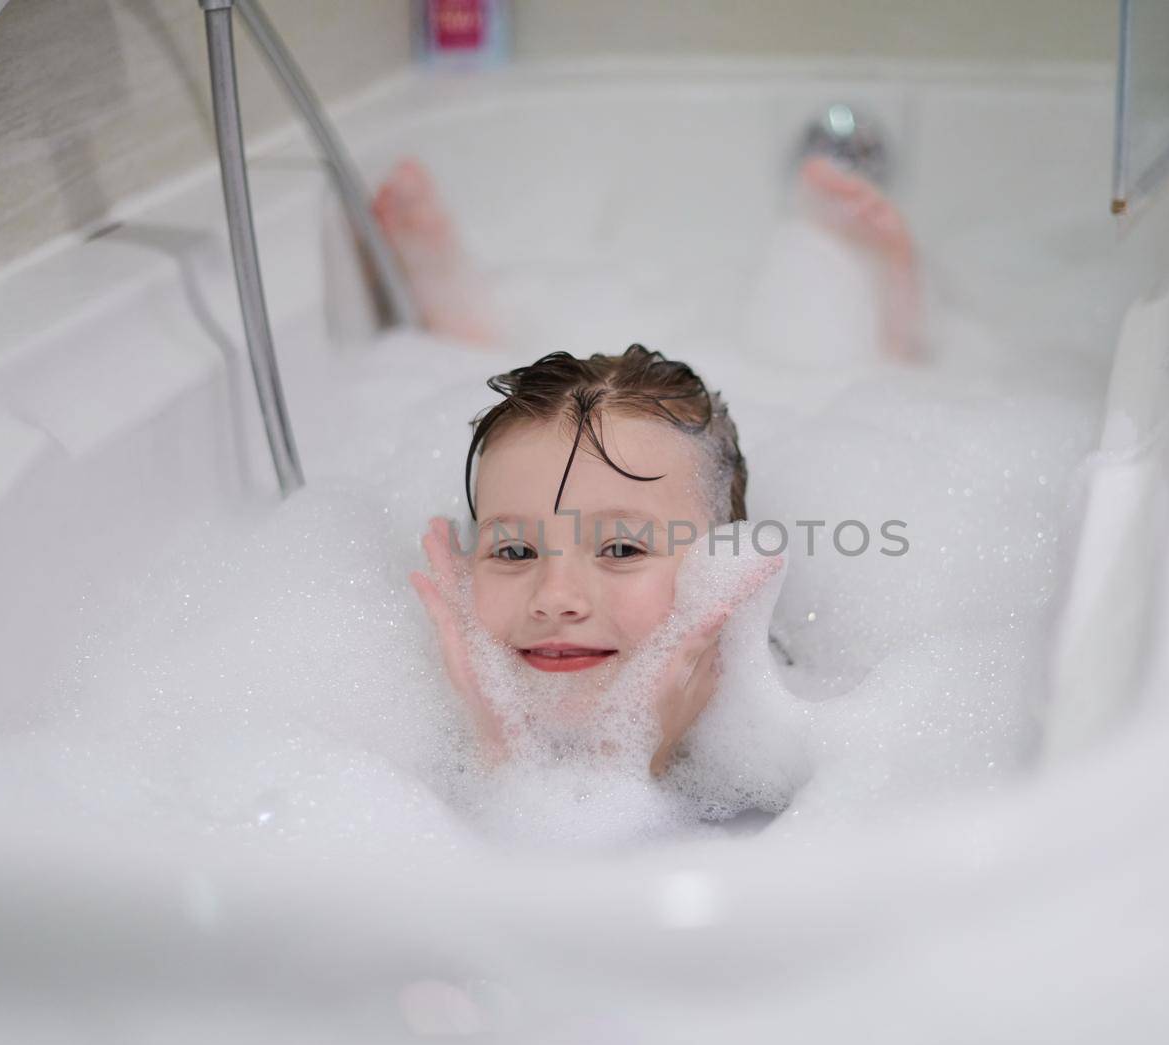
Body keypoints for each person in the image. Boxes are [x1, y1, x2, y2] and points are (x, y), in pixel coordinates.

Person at [374, 155, 922, 777]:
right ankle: (458, 337)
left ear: (727, 572)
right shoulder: (406, 745)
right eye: (514, 552)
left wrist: (615, 764)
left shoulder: (809, 738)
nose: (556, 600)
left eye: (623, 548)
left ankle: (887, 339)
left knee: (870, 387)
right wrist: (496, 745)